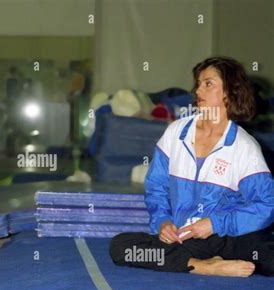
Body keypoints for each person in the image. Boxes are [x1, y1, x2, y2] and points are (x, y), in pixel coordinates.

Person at [110, 57, 274, 277]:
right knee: (123, 248)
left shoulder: (244, 148)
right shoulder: (175, 133)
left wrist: (215, 224)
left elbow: (267, 204)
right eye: (198, 83)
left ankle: (197, 262)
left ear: (228, 92)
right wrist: (163, 221)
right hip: (185, 238)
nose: (198, 90)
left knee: (267, 257)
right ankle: (203, 266)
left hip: (229, 238)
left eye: (208, 84)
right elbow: (156, 187)